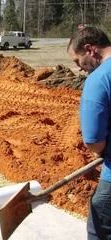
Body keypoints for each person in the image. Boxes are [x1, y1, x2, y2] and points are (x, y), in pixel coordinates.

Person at [67, 27, 111, 239]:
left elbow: (93, 141)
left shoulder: (98, 80)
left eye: (78, 62)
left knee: (100, 227)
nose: (80, 69)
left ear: (90, 49)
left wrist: (103, 151)